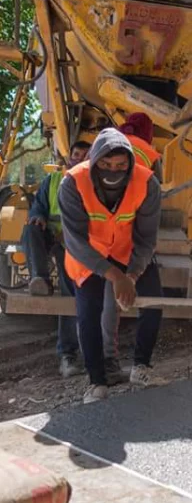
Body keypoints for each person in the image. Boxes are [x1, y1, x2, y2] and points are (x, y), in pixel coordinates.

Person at [58, 128, 163, 403]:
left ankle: (141, 366)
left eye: (120, 165)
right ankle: (97, 382)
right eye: (105, 164)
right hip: (88, 255)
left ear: (130, 163)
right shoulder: (72, 183)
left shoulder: (147, 183)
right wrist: (114, 275)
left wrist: (134, 273)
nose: (112, 170)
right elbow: (75, 241)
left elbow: (147, 238)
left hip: (128, 251)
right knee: (88, 311)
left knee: (153, 302)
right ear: (93, 161)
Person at [22, 141, 90, 377]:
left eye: (84, 156)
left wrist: (71, 236)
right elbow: (39, 206)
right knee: (30, 229)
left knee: (70, 292)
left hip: (72, 245)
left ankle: (68, 355)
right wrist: (38, 217)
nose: (78, 159)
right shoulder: (52, 182)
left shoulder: (93, 186)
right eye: (76, 155)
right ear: (68, 157)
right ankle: (39, 279)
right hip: (50, 236)